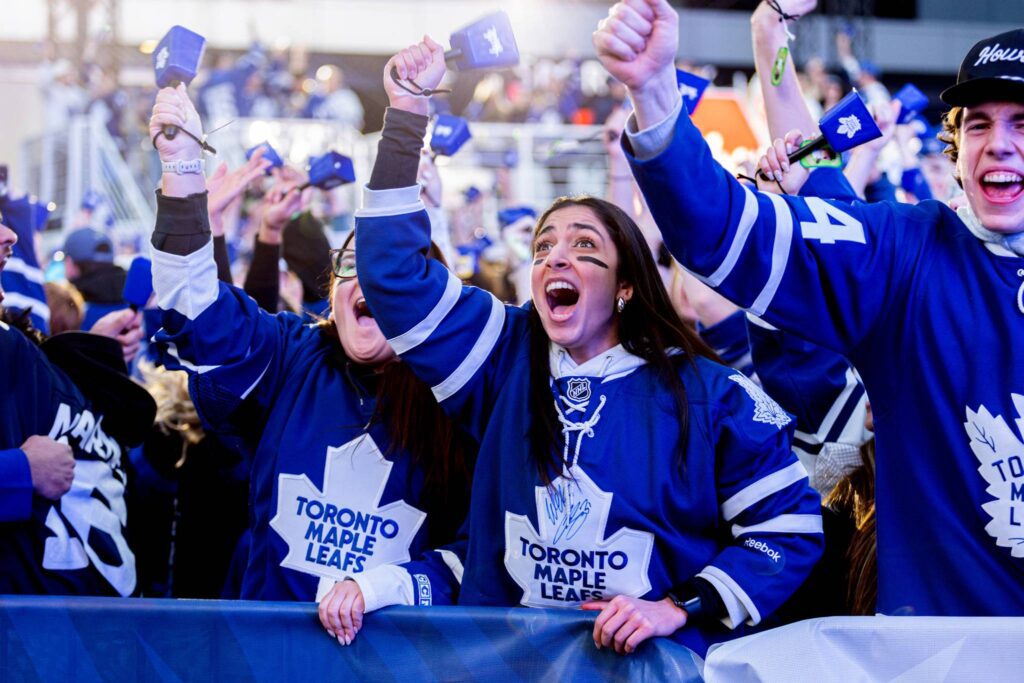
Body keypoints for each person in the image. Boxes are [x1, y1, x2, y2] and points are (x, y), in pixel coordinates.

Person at [317, 37, 823, 657]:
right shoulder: (501, 357)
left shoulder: (712, 395)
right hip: (510, 669)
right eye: (543, 247)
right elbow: (392, 274)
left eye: (584, 245)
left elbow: (788, 529)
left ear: (626, 286)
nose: (555, 256)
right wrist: (407, 114)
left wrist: (677, 606)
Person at [593, 0, 1024, 615]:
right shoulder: (905, 251)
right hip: (935, 650)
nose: (998, 145)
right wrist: (655, 90)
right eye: (977, 125)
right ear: (955, 146)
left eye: (1022, 124)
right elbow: (723, 227)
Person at [145, 84, 474, 604]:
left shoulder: (462, 388)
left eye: (392, 274)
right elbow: (196, 313)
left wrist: (390, 587)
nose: (368, 280)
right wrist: (182, 166)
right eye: (352, 264)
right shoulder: (290, 353)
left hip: (397, 648)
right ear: (333, 290)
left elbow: (482, 553)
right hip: (270, 643)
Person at [1, 211, 153, 596]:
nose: (9, 235)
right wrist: (21, 471)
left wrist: (92, 352)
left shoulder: (18, 348)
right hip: (30, 622)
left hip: (91, 617)